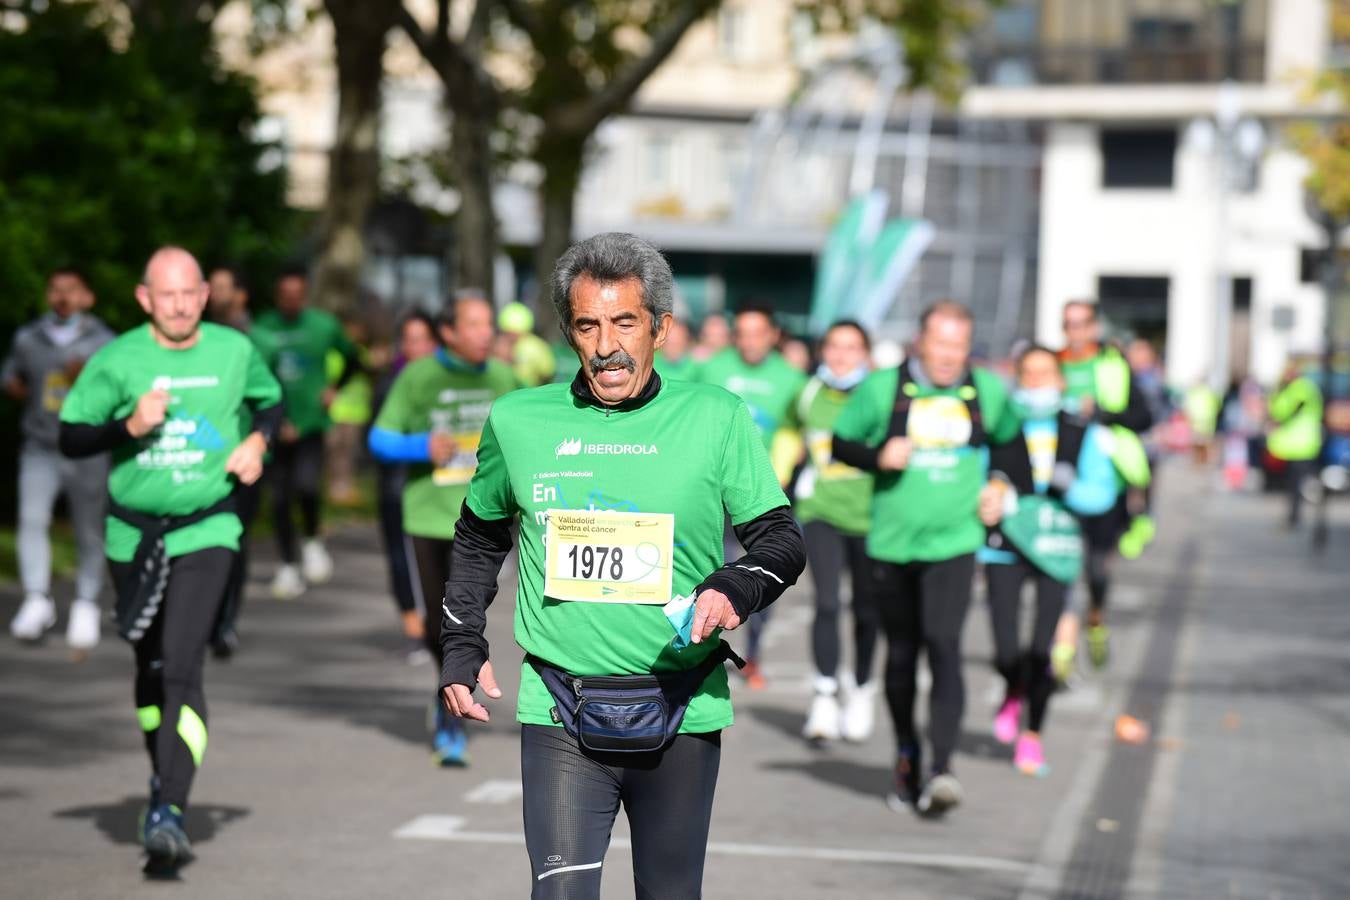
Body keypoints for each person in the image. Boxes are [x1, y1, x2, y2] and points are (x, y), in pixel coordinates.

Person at [439, 232, 804, 899]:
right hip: (560, 707)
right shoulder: (520, 420)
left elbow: (781, 539)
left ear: (659, 328)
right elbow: (478, 536)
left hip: (681, 703)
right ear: (568, 334)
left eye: (625, 322)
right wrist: (462, 641)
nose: (607, 344)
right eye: (588, 325)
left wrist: (733, 586)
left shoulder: (714, 416)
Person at [57, 247, 282, 870]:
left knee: (183, 664)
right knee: (151, 668)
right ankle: (164, 781)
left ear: (204, 295)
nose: (180, 306)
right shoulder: (118, 358)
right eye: (167, 296)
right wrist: (126, 427)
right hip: (134, 535)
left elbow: (271, 401)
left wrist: (258, 442)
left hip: (208, 526)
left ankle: (170, 810)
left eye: (190, 294)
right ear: (144, 298)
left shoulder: (233, 352)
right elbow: (70, 436)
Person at [832, 299, 1017, 817]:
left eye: (959, 345)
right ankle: (907, 753)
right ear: (921, 341)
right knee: (903, 653)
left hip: (955, 542)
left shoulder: (986, 391)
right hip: (891, 544)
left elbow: (1011, 446)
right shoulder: (882, 388)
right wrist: (877, 456)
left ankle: (942, 768)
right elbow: (841, 445)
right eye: (941, 343)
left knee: (945, 644)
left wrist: (1001, 485)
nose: (949, 355)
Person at [368, 292, 518, 766]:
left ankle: (450, 717)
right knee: (438, 624)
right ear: (448, 332)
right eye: (472, 325)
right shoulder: (419, 376)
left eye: (488, 324)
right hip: (429, 518)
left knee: (466, 619)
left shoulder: (503, 377)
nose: (484, 334)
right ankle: (449, 696)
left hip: (484, 522)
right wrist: (419, 446)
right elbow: (379, 438)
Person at [979, 345, 1118, 776]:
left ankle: (1033, 734)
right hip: (1005, 544)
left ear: (1061, 381)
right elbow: (978, 475)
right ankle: (1013, 686)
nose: (1038, 382)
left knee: (1044, 650)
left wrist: (1070, 488)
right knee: (1004, 650)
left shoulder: (1082, 429)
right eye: (1029, 374)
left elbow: (1103, 492)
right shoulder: (1001, 426)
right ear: (1018, 379)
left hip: (1056, 546)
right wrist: (988, 496)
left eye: (1046, 374)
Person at [694, 304, 808, 688]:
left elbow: (804, 431)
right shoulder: (711, 369)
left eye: (758, 332)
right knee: (716, 569)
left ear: (773, 335)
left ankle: (755, 655)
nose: (750, 341)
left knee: (761, 572)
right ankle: (703, 649)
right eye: (742, 332)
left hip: (765, 493)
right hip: (715, 492)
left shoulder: (792, 379)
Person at [4, 268, 115, 647]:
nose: (63, 296)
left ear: (87, 296)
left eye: (71, 290)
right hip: (41, 446)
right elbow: (12, 377)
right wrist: (15, 385)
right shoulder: (28, 338)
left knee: (88, 528)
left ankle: (86, 602)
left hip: (87, 448)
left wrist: (88, 379)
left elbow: (122, 394)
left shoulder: (105, 342)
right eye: (55, 289)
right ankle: (37, 597)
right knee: (32, 519)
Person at [1055, 300, 1154, 670]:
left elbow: (1144, 416)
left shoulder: (1114, 365)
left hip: (1105, 485)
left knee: (1096, 570)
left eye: (1082, 324)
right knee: (1060, 569)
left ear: (1094, 327)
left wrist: (1105, 414)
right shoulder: (1053, 364)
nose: (1076, 331)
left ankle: (1096, 619)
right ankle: (1062, 650)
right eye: (1069, 324)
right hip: (1060, 483)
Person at [251, 270, 359, 599]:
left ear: (306, 294)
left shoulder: (323, 325)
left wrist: (334, 389)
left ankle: (312, 539)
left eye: (298, 294)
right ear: (277, 295)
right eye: (285, 294)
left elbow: (354, 357)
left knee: (307, 486)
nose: (292, 300)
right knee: (281, 499)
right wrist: (273, 418)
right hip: (275, 426)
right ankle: (287, 565)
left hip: (311, 422)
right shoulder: (263, 328)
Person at [795, 321, 879, 743]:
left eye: (852, 348)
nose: (842, 356)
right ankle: (825, 695)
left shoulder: (878, 395)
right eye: (834, 346)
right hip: (820, 512)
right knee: (827, 602)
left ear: (866, 353)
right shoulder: (810, 393)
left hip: (871, 517)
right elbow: (792, 436)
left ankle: (862, 689)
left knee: (867, 610)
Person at [372, 311, 440, 659]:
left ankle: (439, 630)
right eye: (409, 340)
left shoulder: (445, 383)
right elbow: (376, 440)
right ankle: (416, 628)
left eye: (422, 339)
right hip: (396, 488)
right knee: (403, 562)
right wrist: (420, 448)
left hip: (440, 494)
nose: (415, 347)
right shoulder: (389, 384)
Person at [206, 266, 256, 658]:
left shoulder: (257, 340)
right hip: (202, 455)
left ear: (240, 295)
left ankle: (224, 622)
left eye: (221, 286)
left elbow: (274, 397)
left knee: (233, 540)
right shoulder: (195, 338)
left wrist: (261, 439)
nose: (213, 293)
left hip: (245, 457)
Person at [1267, 360, 1324, 528]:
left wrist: (1278, 422)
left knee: (1296, 483)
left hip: (1302, 444)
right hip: (1293, 445)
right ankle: (1293, 516)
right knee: (1293, 483)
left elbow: (1293, 410)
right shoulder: (1290, 388)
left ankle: (1294, 518)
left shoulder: (1303, 388)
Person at [497, 301, 557, 387]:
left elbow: (548, 374)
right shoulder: (538, 346)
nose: (512, 338)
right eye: (508, 335)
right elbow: (548, 373)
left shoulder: (535, 347)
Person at [207, 266, 252, 333]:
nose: (213, 294)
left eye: (220, 289)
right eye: (211, 288)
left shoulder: (257, 338)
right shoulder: (206, 332)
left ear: (240, 295)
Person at [653, 316, 698, 381]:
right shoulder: (651, 364)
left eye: (678, 341)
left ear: (686, 341)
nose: (673, 347)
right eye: (669, 342)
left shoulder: (697, 364)